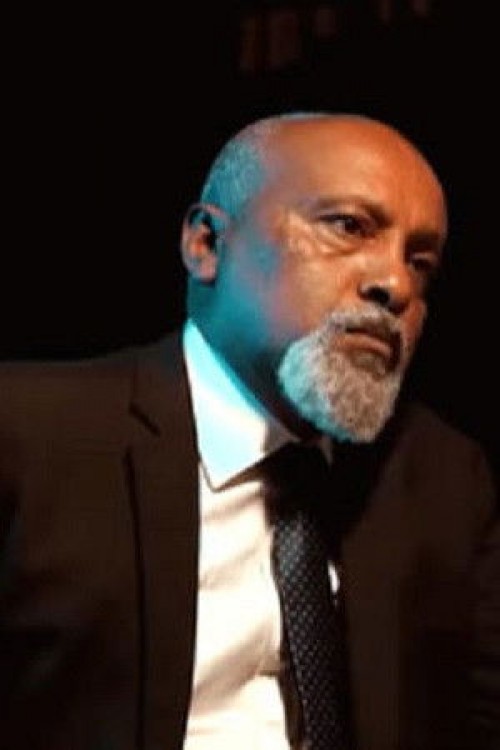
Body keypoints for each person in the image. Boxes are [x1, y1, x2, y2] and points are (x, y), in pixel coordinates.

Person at [0, 112, 498, 750]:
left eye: (421, 262)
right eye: (348, 227)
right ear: (206, 244)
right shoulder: (26, 435)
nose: (396, 284)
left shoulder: (442, 474)